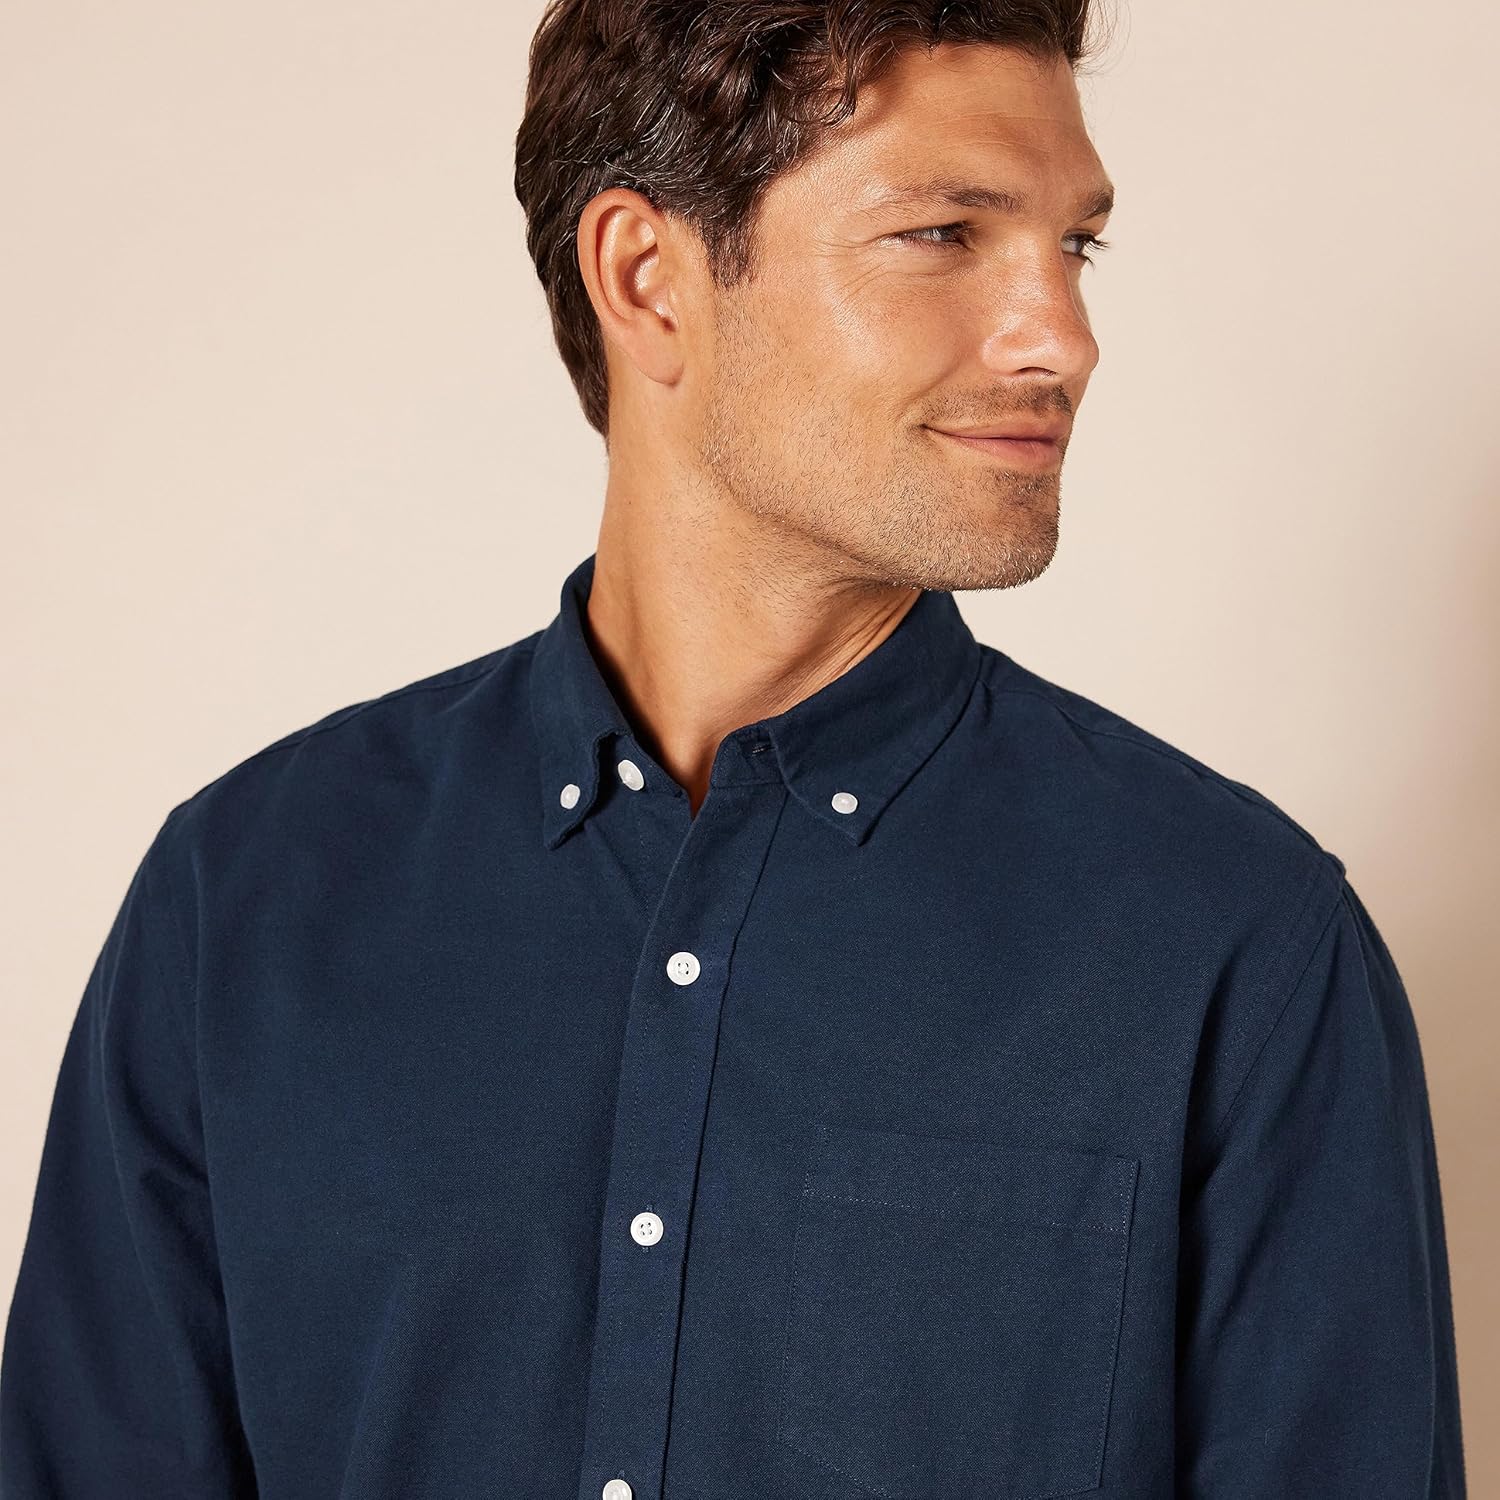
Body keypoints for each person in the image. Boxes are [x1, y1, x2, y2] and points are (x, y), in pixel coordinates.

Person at [1, 1, 1467, 1496]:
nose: (1062, 339)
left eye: (1075, 245)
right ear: (649, 280)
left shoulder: (1239, 943)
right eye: (945, 234)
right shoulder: (245, 898)